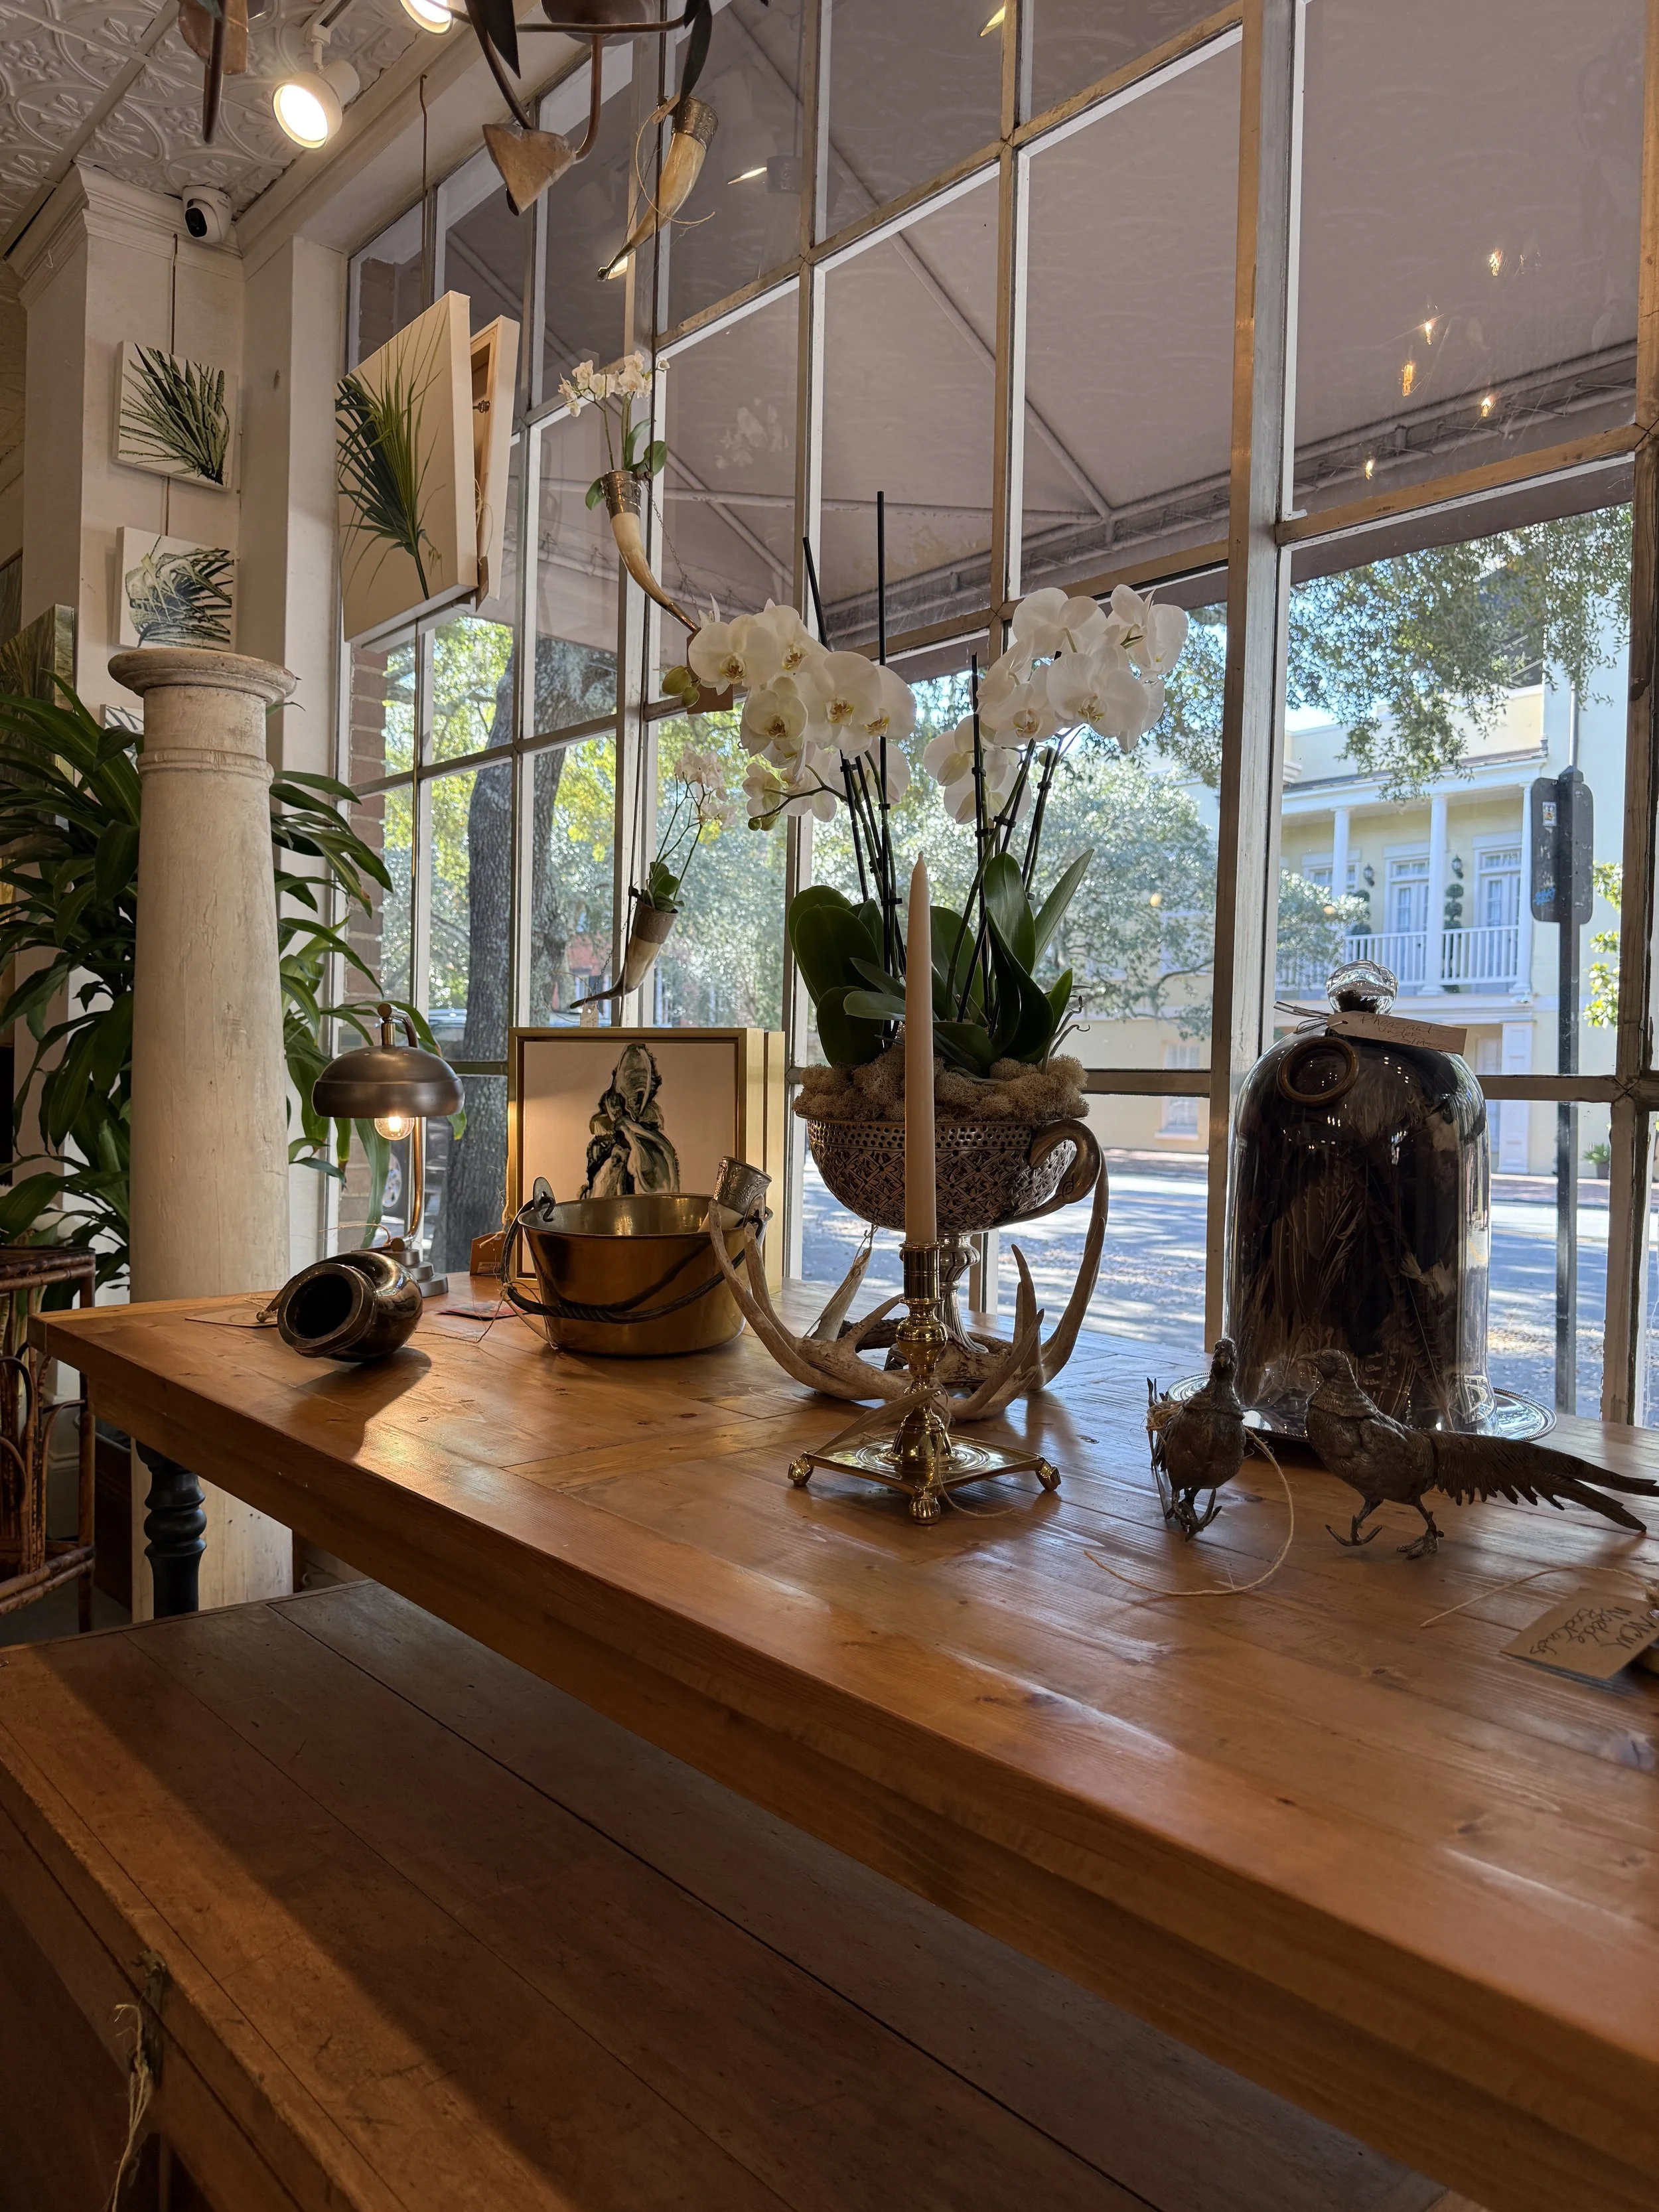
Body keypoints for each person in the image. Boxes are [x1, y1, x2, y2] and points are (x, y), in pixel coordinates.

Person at [582, 1042, 682, 1197]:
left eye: (640, 1091)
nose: (636, 1096)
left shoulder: (658, 1145)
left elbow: (663, 1192)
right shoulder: (605, 1131)